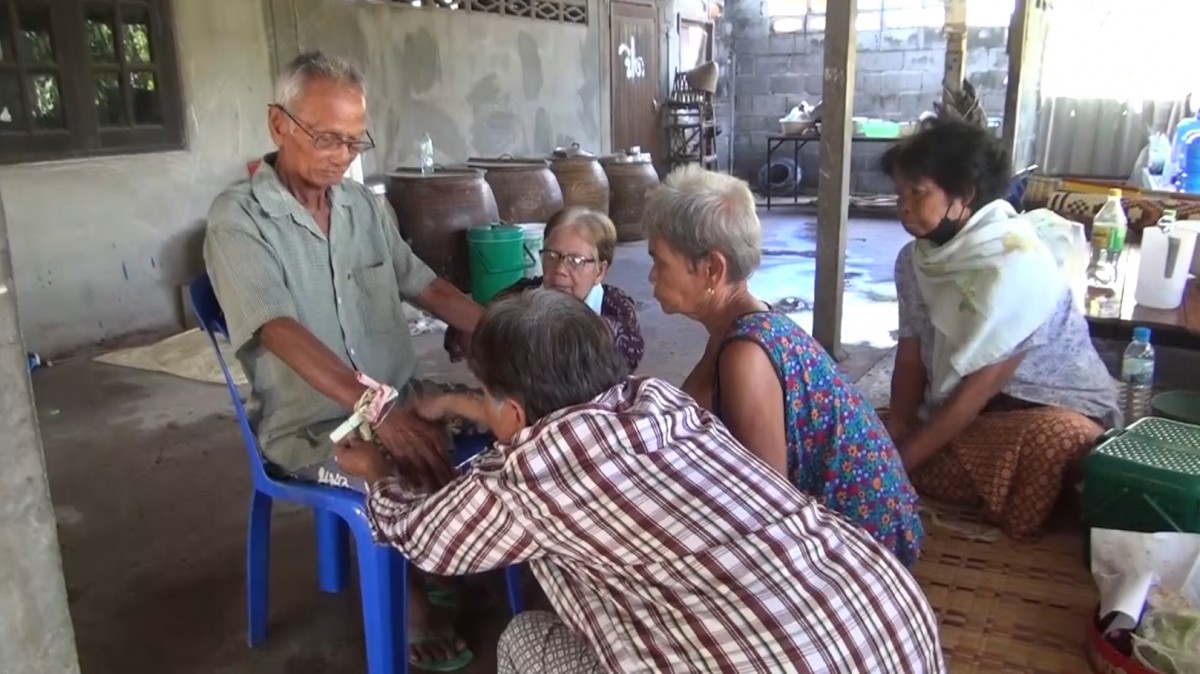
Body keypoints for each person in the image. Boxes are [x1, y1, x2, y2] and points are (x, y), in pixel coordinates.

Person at [336, 289, 946, 674]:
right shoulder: (658, 404)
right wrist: (470, 406)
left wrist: (379, 475)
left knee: (523, 641)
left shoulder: (530, 481)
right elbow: (553, 419)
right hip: (892, 630)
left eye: (487, 397)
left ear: (516, 414)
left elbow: (426, 538)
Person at [203, 51, 479, 669]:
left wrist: (500, 331)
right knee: (382, 465)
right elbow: (276, 327)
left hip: (399, 395)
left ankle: (432, 547)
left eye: (354, 142)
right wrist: (375, 410)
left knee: (494, 427)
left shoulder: (363, 208)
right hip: (312, 428)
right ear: (279, 125)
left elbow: (424, 285)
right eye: (327, 137)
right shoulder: (238, 220)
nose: (341, 156)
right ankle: (410, 600)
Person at [643, 165, 923, 567]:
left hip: (865, 553)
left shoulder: (746, 355)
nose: (651, 275)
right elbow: (684, 415)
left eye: (660, 261)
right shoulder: (735, 329)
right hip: (862, 530)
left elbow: (769, 514)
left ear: (712, 270)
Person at [880, 118, 1120, 539]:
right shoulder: (913, 262)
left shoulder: (1015, 263)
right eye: (899, 193)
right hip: (975, 420)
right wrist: (898, 424)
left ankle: (952, 474)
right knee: (860, 426)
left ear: (964, 196)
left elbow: (977, 392)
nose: (903, 206)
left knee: (1059, 442)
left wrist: (896, 464)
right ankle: (982, 481)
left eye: (917, 193)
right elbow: (911, 354)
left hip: (1046, 409)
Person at [444, 207, 644, 371]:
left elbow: (627, 354)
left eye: (575, 261)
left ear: (600, 270)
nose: (559, 270)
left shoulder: (616, 308)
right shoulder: (521, 293)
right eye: (551, 256)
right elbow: (463, 330)